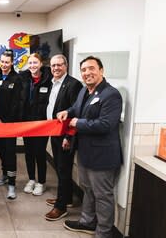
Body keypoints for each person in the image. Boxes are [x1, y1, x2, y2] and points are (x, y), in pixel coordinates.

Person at [58, 56, 123, 238]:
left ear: (101, 71)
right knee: (87, 189)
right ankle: (87, 222)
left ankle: (104, 232)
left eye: (91, 68)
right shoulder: (85, 91)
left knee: (103, 196)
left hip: (102, 157)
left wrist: (77, 123)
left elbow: (105, 125)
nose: (87, 73)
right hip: (85, 153)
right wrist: (68, 112)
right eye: (84, 70)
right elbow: (77, 108)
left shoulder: (111, 94)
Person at [44, 54, 82, 221]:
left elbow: (76, 111)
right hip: (55, 132)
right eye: (53, 66)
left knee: (63, 169)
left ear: (66, 65)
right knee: (60, 168)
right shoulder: (54, 82)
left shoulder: (73, 84)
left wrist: (69, 136)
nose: (56, 68)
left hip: (65, 135)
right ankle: (66, 198)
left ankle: (60, 207)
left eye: (59, 65)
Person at [20, 53, 52, 196]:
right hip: (27, 123)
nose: (32, 66)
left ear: (41, 64)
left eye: (35, 63)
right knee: (29, 153)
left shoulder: (49, 79)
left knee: (39, 153)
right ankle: (31, 179)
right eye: (30, 63)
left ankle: (41, 182)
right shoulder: (24, 78)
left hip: (42, 124)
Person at [0, 49, 23, 199]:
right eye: (2, 61)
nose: (4, 64)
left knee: (10, 153)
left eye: (7, 62)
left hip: (10, 124)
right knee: (2, 151)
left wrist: (7, 121)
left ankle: (12, 185)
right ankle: (4, 175)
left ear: (12, 63)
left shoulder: (17, 79)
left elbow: (17, 103)